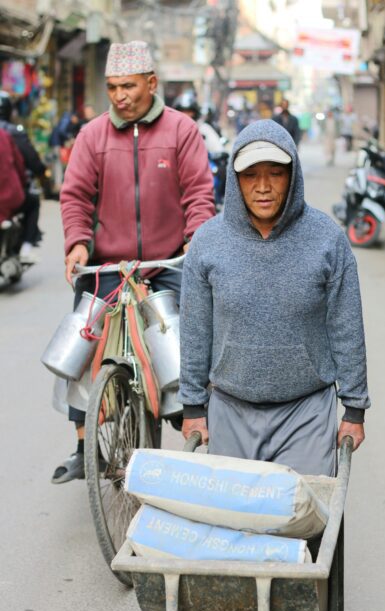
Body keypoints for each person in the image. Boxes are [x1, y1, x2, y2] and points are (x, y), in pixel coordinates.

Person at [179, 120, 369, 611]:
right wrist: (194, 406)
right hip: (231, 404)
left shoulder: (327, 239)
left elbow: (346, 327)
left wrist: (353, 406)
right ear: (235, 181)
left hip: (306, 409)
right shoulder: (210, 243)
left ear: (293, 177)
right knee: (235, 528)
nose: (263, 186)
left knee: (298, 527)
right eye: (251, 175)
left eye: (275, 174)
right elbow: (196, 331)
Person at [51, 40, 215, 484]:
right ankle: (86, 444)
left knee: (182, 341)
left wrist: (197, 239)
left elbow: (200, 194)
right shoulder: (92, 136)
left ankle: (192, 429)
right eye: (112, 87)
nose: (120, 95)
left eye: (128, 86)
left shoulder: (181, 131)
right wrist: (78, 243)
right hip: (109, 267)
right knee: (81, 340)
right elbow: (76, 196)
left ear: (151, 83)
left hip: (167, 264)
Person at [0, 90, 48, 262]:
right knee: (33, 202)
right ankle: (26, 249)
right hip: (7, 198)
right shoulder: (9, 134)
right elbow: (24, 164)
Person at [0, 127, 26, 224]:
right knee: (34, 202)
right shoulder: (4, 134)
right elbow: (19, 163)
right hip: (9, 196)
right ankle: (28, 239)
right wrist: (24, 180)